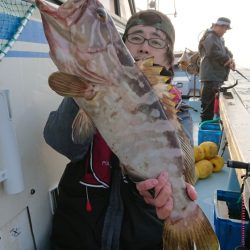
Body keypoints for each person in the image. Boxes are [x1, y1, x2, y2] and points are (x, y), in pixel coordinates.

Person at [44, 9, 197, 250]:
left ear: (168, 61)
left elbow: (178, 168)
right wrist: (84, 88)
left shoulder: (180, 113)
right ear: (122, 48)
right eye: (135, 38)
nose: (144, 48)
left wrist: (152, 192)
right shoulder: (93, 88)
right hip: (78, 235)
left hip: (140, 238)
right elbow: (63, 142)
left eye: (156, 42)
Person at [198, 17, 236, 122]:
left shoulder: (219, 38)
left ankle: (210, 125)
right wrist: (227, 59)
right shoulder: (210, 37)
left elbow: (225, 51)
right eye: (223, 27)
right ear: (216, 26)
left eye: (226, 28)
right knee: (208, 107)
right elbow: (211, 52)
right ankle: (205, 129)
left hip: (217, 76)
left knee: (213, 104)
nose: (225, 30)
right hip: (211, 77)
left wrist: (231, 59)